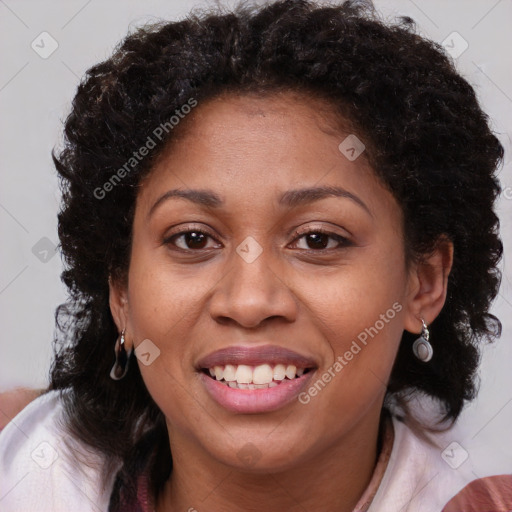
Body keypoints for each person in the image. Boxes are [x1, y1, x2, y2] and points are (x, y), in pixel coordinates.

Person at [1, 0, 510, 510]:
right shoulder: (19, 471)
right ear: (121, 295)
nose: (248, 302)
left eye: (318, 239)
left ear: (423, 283)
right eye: (193, 239)